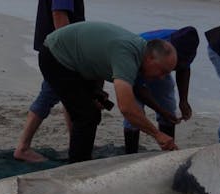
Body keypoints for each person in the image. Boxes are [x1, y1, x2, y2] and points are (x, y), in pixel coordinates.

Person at [39, 21, 178, 163]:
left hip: (77, 59)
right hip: (56, 56)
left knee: (90, 111)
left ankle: (81, 159)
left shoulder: (140, 51)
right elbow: (127, 108)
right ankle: (77, 166)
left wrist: (97, 90)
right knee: (86, 115)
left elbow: (100, 58)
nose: (162, 77)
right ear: (150, 58)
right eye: (163, 70)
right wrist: (157, 134)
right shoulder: (127, 56)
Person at [13, 0, 85, 163]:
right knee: (49, 94)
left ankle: (75, 144)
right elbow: (59, 15)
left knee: (69, 95)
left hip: (54, 47)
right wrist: (70, 53)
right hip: (59, 50)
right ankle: (23, 147)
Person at [123, 27, 199, 154]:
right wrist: (160, 111)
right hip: (135, 64)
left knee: (169, 105)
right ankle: (130, 154)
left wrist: (183, 101)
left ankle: (168, 152)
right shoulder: (145, 49)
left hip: (160, 64)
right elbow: (138, 89)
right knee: (135, 110)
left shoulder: (187, 43)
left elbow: (184, 68)